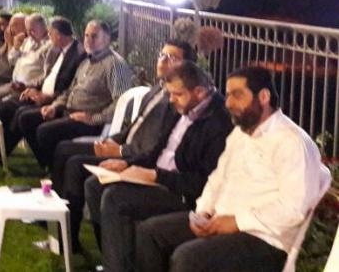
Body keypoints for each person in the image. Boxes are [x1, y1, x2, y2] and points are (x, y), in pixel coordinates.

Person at [135, 66, 331, 272]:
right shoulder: (240, 133)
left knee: (187, 258)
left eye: (237, 95)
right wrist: (203, 212)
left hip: (265, 238)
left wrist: (237, 222)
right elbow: (217, 178)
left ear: (263, 97)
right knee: (151, 233)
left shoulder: (291, 142)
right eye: (227, 95)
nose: (228, 103)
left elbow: (293, 209)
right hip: (220, 220)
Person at [86, 61, 233, 272]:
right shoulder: (181, 107)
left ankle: (116, 267)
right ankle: (116, 261)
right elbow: (157, 152)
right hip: (157, 178)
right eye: (170, 93)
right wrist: (126, 163)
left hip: (181, 192)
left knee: (116, 198)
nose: (171, 99)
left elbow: (202, 182)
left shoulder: (218, 123)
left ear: (200, 92)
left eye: (177, 94)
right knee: (95, 184)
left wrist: (155, 176)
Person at [52, 39, 194, 253]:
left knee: (76, 165)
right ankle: (58, 223)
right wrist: (113, 140)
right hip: (124, 147)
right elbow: (135, 126)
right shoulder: (157, 89)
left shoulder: (177, 101)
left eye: (172, 57)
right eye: (162, 55)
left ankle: (71, 239)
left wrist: (120, 151)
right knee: (63, 150)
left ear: (187, 66)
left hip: (136, 157)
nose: (163, 61)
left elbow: (154, 146)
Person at [17, 20, 132, 171]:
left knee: (45, 132)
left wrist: (92, 118)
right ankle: (49, 166)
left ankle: (55, 170)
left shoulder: (115, 64)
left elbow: (121, 103)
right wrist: (54, 106)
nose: (88, 40)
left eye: (94, 36)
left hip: (91, 122)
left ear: (107, 39)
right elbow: (69, 91)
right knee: (26, 119)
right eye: (86, 36)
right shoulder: (86, 62)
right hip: (69, 112)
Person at [0, 16, 85, 167]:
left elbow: (67, 86)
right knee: (6, 106)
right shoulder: (57, 49)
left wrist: (48, 98)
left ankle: (38, 161)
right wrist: (30, 87)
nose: (48, 36)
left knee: (21, 114)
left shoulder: (77, 54)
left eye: (50, 33)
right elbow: (46, 76)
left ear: (59, 35)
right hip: (39, 93)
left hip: (54, 101)